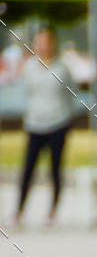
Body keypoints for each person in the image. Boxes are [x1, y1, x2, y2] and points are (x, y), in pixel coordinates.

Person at [12, 26, 77, 226]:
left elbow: (71, 95)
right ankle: (19, 211)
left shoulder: (62, 68)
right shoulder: (29, 67)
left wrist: (68, 120)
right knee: (27, 169)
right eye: (40, 41)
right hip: (35, 124)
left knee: (55, 169)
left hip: (58, 123)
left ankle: (52, 212)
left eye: (47, 41)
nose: (43, 46)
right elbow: (23, 93)